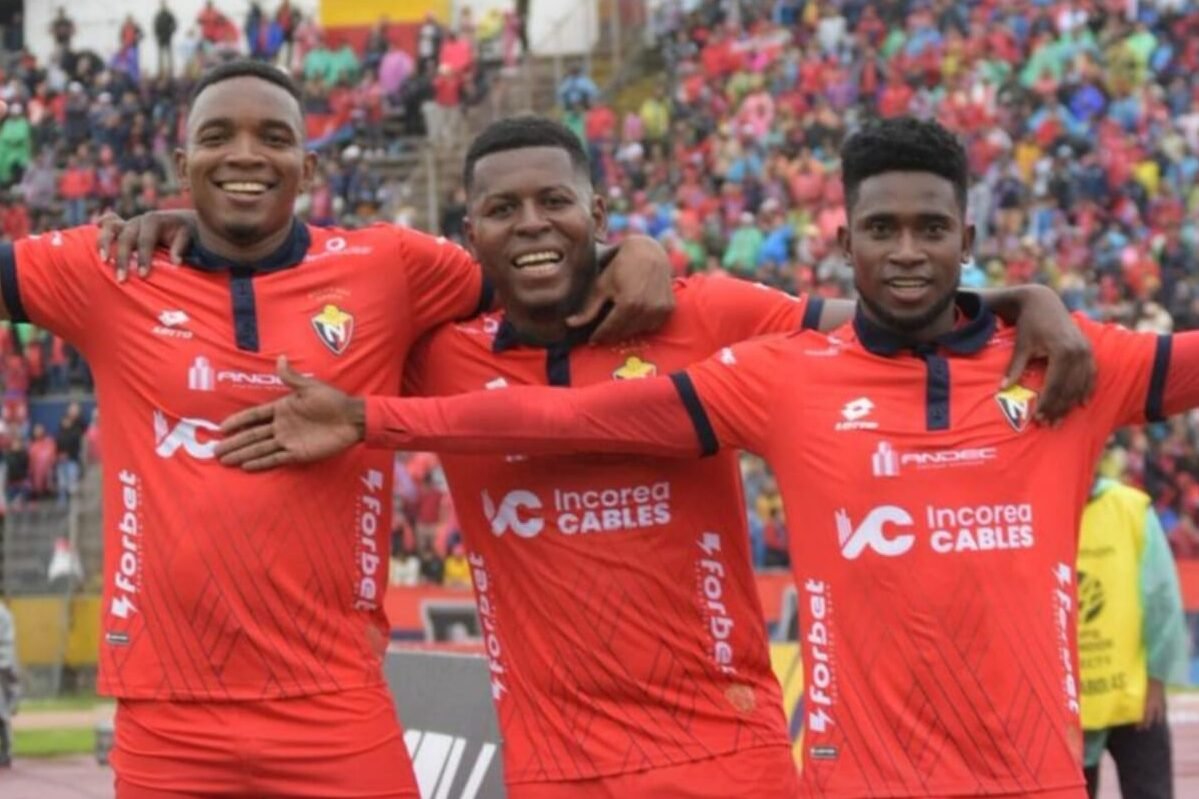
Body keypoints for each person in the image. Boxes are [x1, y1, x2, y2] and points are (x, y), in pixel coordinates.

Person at [218, 117, 1107, 798]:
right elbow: (280, 272)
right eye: (502, 209)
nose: (532, 223)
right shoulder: (434, 351)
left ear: (598, 215)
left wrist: (1012, 299)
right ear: (470, 232)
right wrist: (191, 218)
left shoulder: (707, 313)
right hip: (552, 762)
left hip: (726, 748)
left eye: (555, 201)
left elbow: (890, 325)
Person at [0, 60, 673, 798]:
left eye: (273, 138)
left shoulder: (389, 266)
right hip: (167, 711)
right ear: (182, 165)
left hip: (336, 702)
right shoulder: (113, 270)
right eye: (218, 138)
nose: (246, 155)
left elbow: (536, 269)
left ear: (309, 166)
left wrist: (631, 252)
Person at [1078, 471, 1190, 799]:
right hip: (1068, 706)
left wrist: (1157, 678)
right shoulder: (1038, 508)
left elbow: (1162, 601)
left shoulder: (1131, 508)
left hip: (1135, 696)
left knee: (1149, 790)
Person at [0, 597, 18, 768]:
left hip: (2, 667)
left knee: (2, 712)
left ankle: (6, 751)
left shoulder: (3, 614)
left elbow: (6, 644)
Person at [154, 1, 177, 78]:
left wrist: (171, 32)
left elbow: (174, 24)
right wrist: (157, 35)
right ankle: (161, 71)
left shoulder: (169, 14)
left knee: (169, 55)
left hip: (168, 38)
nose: (163, 6)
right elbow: (155, 27)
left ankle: (170, 71)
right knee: (160, 56)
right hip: (161, 38)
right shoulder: (158, 15)